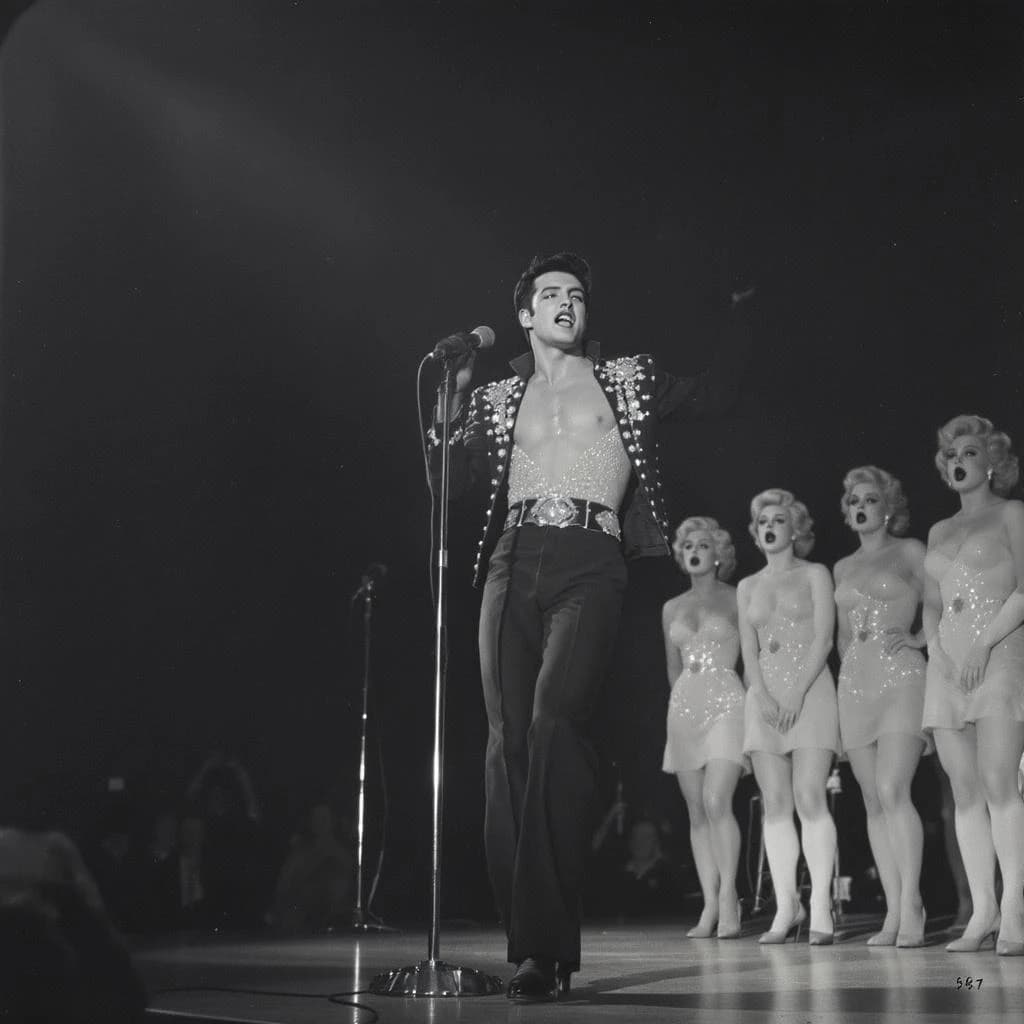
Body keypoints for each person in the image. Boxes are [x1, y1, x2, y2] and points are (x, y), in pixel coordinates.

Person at [429, 251, 753, 1000]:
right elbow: (449, 480)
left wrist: (742, 310)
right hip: (511, 558)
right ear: (525, 314)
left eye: (575, 293)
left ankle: (544, 951)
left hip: (590, 557)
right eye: (550, 293)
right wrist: (449, 406)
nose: (566, 303)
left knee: (553, 725)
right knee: (507, 742)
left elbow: (715, 395)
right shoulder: (498, 396)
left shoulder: (626, 378)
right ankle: (527, 942)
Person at [922, 414, 1024, 956]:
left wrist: (984, 645)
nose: (958, 462)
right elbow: (931, 605)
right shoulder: (939, 532)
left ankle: (1015, 912)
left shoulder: (1012, 514)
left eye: (969, 453)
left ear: (992, 463)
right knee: (963, 793)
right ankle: (983, 911)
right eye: (951, 455)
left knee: (999, 782)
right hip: (948, 668)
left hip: (1000, 655)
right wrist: (939, 653)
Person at [738, 488, 840, 945]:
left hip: (810, 691)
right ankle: (786, 906)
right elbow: (749, 650)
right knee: (775, 803)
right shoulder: (747, 586)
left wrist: (797, 692)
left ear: (795, 528)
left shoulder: (815, 573)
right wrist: (760, 695)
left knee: (809, 796)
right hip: (764, 698)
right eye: (763, 522)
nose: (770, 527)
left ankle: (820, 906)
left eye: (779, 520)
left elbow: (824, 638)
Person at [833, 466, 929, 946]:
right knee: (872, 800)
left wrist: (920, 638)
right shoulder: (841, 567)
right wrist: (846, 680)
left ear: (888, 507)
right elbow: (841, 637)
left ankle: (913, 904)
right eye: (854, 501)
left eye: (870, 499)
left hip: (901, 678)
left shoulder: (909, 551)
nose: (861, 507)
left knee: (893, 789)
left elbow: (938, 601)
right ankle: (893, 910)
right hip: (855, 685)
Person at [661, 516, 748, 939]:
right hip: (684, 708)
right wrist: (681, 708)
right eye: (688, 546)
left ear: (718, 554)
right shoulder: (671, 608)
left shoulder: (738, 597)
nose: (694, 551)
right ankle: (710, 903)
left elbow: (750, 660)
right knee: (696, 810)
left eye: (703, 545)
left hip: (728, 703)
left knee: (717, 801)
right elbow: (671, 668)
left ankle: (730, 896)